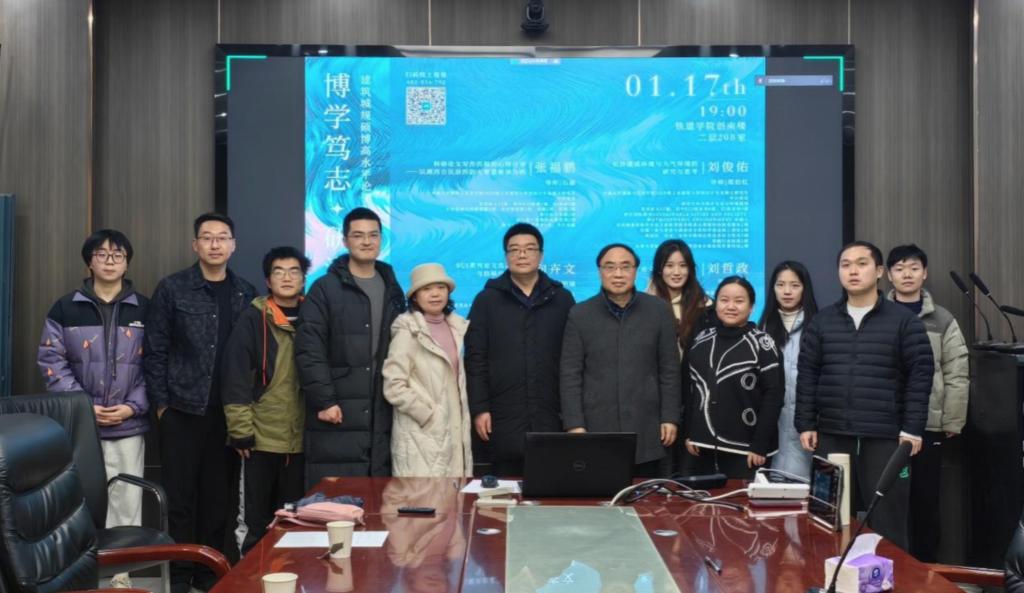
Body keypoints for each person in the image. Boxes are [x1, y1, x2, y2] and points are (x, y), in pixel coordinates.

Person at [795, 240, 934, 550]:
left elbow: (920, 376)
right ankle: (829, 573)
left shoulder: (904, 322)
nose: (853, 271)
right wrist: (805, 422)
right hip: (832, 432)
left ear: (880, 271)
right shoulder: (822, 322)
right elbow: (808, 373)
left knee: (888, 520)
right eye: (845, 265)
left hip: (885, 437)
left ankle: (890, 575)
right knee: (828, 517)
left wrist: (912, 428)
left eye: (861, 264)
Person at [144, 213, 256, 592]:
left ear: (233, 245)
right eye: (207, 237)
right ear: (195, 245)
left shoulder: (245, 292)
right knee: (180, 500)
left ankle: (208, 574)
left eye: (222, 237)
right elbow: (155, 351)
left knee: (218, 501)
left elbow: (251, 357)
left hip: (226, 414)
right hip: (181, 410)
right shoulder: (173, 288)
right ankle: (179, 576)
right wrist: (162, 406)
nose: (214, 244)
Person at [38, 229, 149, 589]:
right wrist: (83, 406)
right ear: (90, 261)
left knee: (126, 501)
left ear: (127, 262)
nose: (110, 261)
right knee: (77, 501)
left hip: (128, 424)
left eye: (117, 255)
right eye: (101, 254)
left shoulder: (144, 308)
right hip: (80, 425)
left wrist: (132, 407)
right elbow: (51, 361)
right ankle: (79, 575)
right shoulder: (65, 307)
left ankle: (121, 577)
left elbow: (156, 366)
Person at [296, 207, 406, 485]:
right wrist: (326, 400)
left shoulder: (393, 288)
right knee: (337, 494)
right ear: (345, 240)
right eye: (358, 235)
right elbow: (309, 349)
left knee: (378, 491)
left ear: (381, 239)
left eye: (373, 235)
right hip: (339, 407)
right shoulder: (324, 288)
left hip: (382, 406)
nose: (366, 242)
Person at [559, 243, 681, 477]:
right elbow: (570, 374)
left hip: (647, 427)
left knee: (648, 496)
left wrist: (670, 417)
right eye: (610, 267)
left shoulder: (658, 310)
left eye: (625, 267)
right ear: (599, 271)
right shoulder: (580, 314)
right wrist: (574, 424)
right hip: (596, 428)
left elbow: (669, 370)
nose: (618, 274)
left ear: (636, 271)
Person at [465, 223, 575, 477]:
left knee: (553, 484)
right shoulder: (487, 300)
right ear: (506, 256)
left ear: (541, 255)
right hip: (502, 413)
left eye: (529, 249)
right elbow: (475, 359)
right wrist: (480, 408)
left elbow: (573, 359)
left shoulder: (562, 299)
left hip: (552, 412)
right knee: (504, 490)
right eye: (514, 249)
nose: (522, 255)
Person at [221, 246, 310, 552]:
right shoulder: (253, 319)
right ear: (268, 281)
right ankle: (250, 575)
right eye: (278, 271)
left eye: (294, 271)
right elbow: (235, 376)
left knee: (296, 523)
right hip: (260, 439)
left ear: (303, 279)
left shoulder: (314, 317)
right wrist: (241, 431)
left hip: (301, 441)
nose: (286, 277)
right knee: (254, 522)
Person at [886, 244, 969, 561]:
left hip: (929, 425)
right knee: (890, 503)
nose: (907, 274)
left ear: (925, 273)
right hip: (885, 424)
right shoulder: (878, 314)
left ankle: (925, 570)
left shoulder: (942, 319)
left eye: (914, 268)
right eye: (899, 269)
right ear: (888, 275)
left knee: (925, 502)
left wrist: (952, 420)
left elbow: (957, 372)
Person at [684, 276, 784, 479]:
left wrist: (760, 444)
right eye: (724, 300)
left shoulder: (762, 343)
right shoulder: (701, 339)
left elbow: (774, 396)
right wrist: (690, 433)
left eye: (739, 301)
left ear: (751, 307)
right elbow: (689, 391)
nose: (730, 306)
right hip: (701, 446)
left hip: (747, 450)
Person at [382, 263, 472, 477]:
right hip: (420, 437)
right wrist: (428, 415)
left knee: (455, 495)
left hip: (454, 433)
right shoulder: (408, 330)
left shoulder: (457, 327)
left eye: (441, 287)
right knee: (425, 496)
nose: (435, 294)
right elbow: (393, 384)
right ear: (415, 296)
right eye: (426, 289)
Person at [646, 238, 714, 476]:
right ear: (659, 269)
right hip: (654, 402)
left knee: (689, 474)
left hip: (694, 401)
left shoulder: (706, 308)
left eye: (683, 265)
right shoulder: (643, 306)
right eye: (669, 265)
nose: (676, 272)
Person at [759, 261, 819, 479]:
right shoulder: (761, 329)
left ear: (805, 289)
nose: (786, 291)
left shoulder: (819, 326)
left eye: (794, 285)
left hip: (808, 430)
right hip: (770, 433)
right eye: (780, 285)